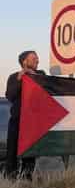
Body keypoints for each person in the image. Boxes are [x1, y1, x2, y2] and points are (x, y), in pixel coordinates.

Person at [4, 50, 46, 179]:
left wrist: (34, 76)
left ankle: (26, 179)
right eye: (34, 58)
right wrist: (20, 77)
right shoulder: (14, 77)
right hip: (17, 120)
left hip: (32, 121)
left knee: (30, 153)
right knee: (12, 151)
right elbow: (10, 96)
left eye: (37, 59)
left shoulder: (41, 74)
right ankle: (11, 180)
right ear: (24, 61)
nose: (37, 61)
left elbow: (45, 91)